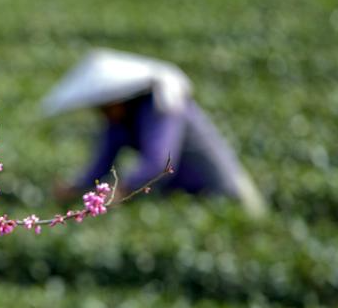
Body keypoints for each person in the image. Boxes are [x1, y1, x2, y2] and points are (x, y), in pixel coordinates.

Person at [43, 49, 266, 216]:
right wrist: (76, 188)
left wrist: (122, 189)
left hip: (223, 194)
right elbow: (102, 161)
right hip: (184, 199)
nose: (102, 113)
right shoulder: (119, 121)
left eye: (105, 106)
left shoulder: (161, 107)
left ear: (118, 98)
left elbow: (160, 163)